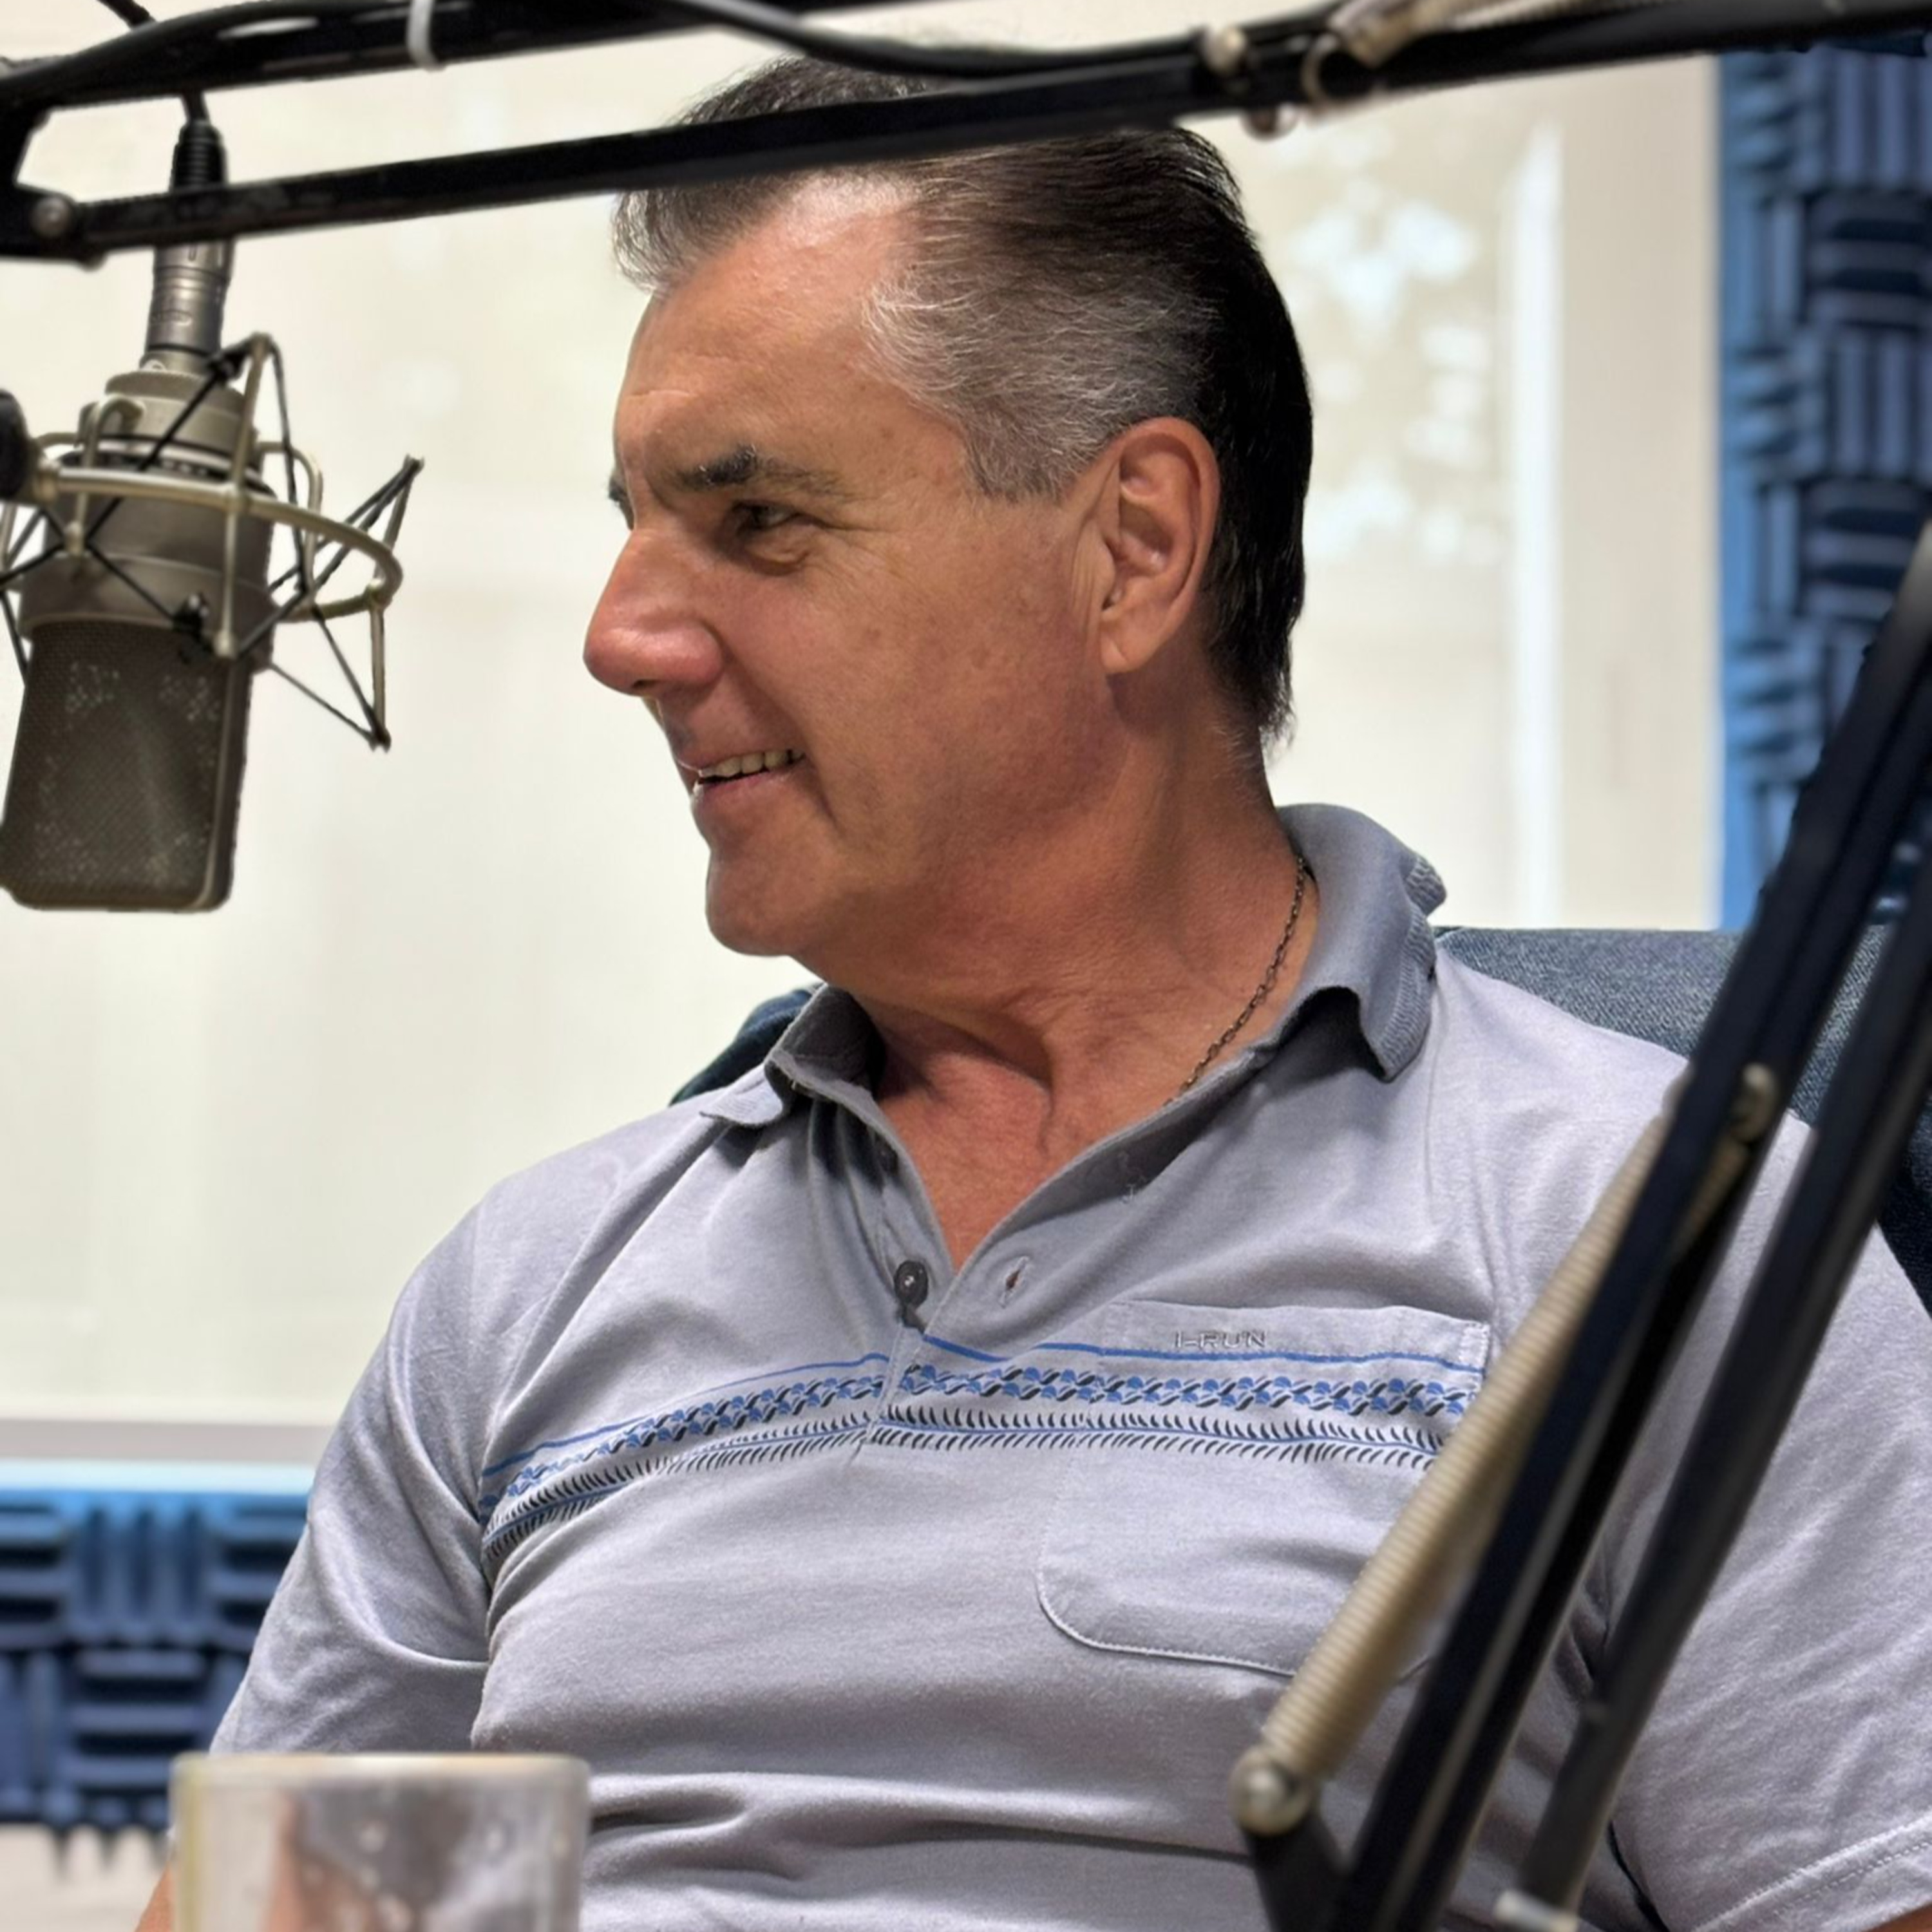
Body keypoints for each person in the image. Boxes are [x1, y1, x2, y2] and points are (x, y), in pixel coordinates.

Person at [138, 56, 1932, 1932]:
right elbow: (267, 1918)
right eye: (635, 520)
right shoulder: (528, 1294)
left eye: (757, 520)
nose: (621, 637)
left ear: (1133, 550)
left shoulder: (1642, 1236)